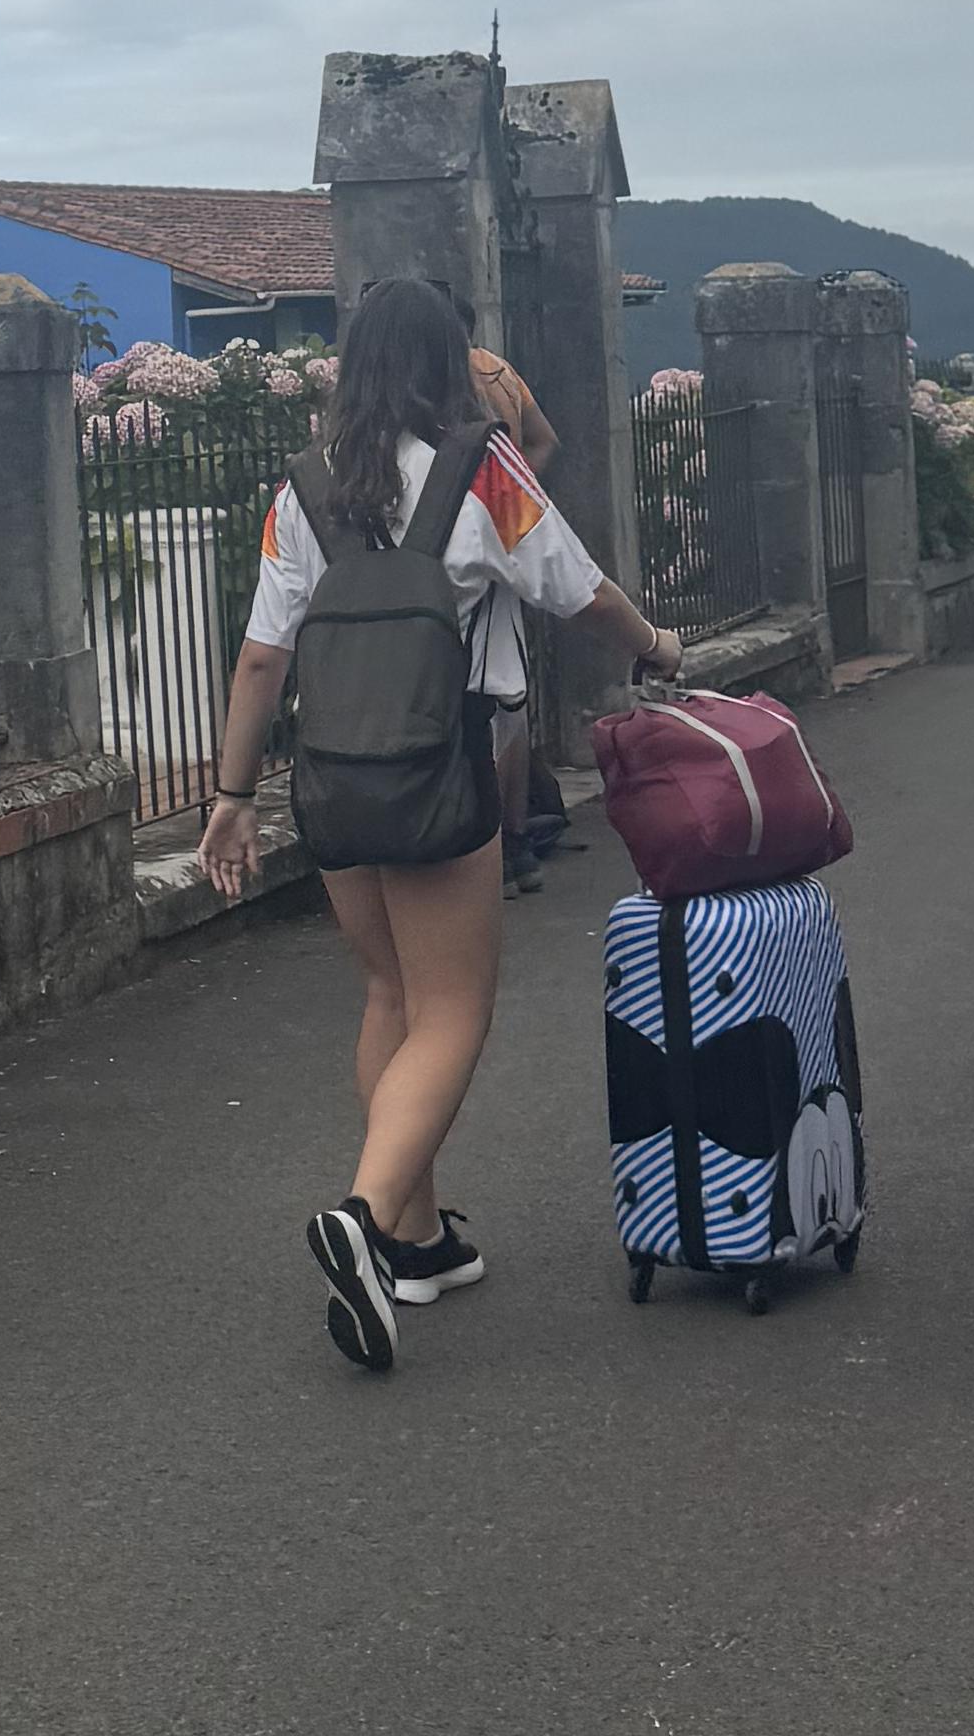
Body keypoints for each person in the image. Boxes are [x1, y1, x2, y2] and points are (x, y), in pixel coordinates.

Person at [194, 275, 687, 1374]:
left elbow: (263, 656)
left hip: (331, 777)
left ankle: (417, 1243)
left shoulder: (306, 489)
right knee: (455, 1010)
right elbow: (580, 589)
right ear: (446, 363)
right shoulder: (484, 471)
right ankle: (367, 1221)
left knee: (390, 994)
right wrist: (656, 647)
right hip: (442, 766)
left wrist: (231, 800)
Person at [466, 332, 572, 889]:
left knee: (473, 704)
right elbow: (545, 441)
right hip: (504, 541)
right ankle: (516, 839)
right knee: (510, 700)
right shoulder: (499, 372)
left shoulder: (439, 377)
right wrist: (518, 493)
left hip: (452, 552)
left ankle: (489, 842)